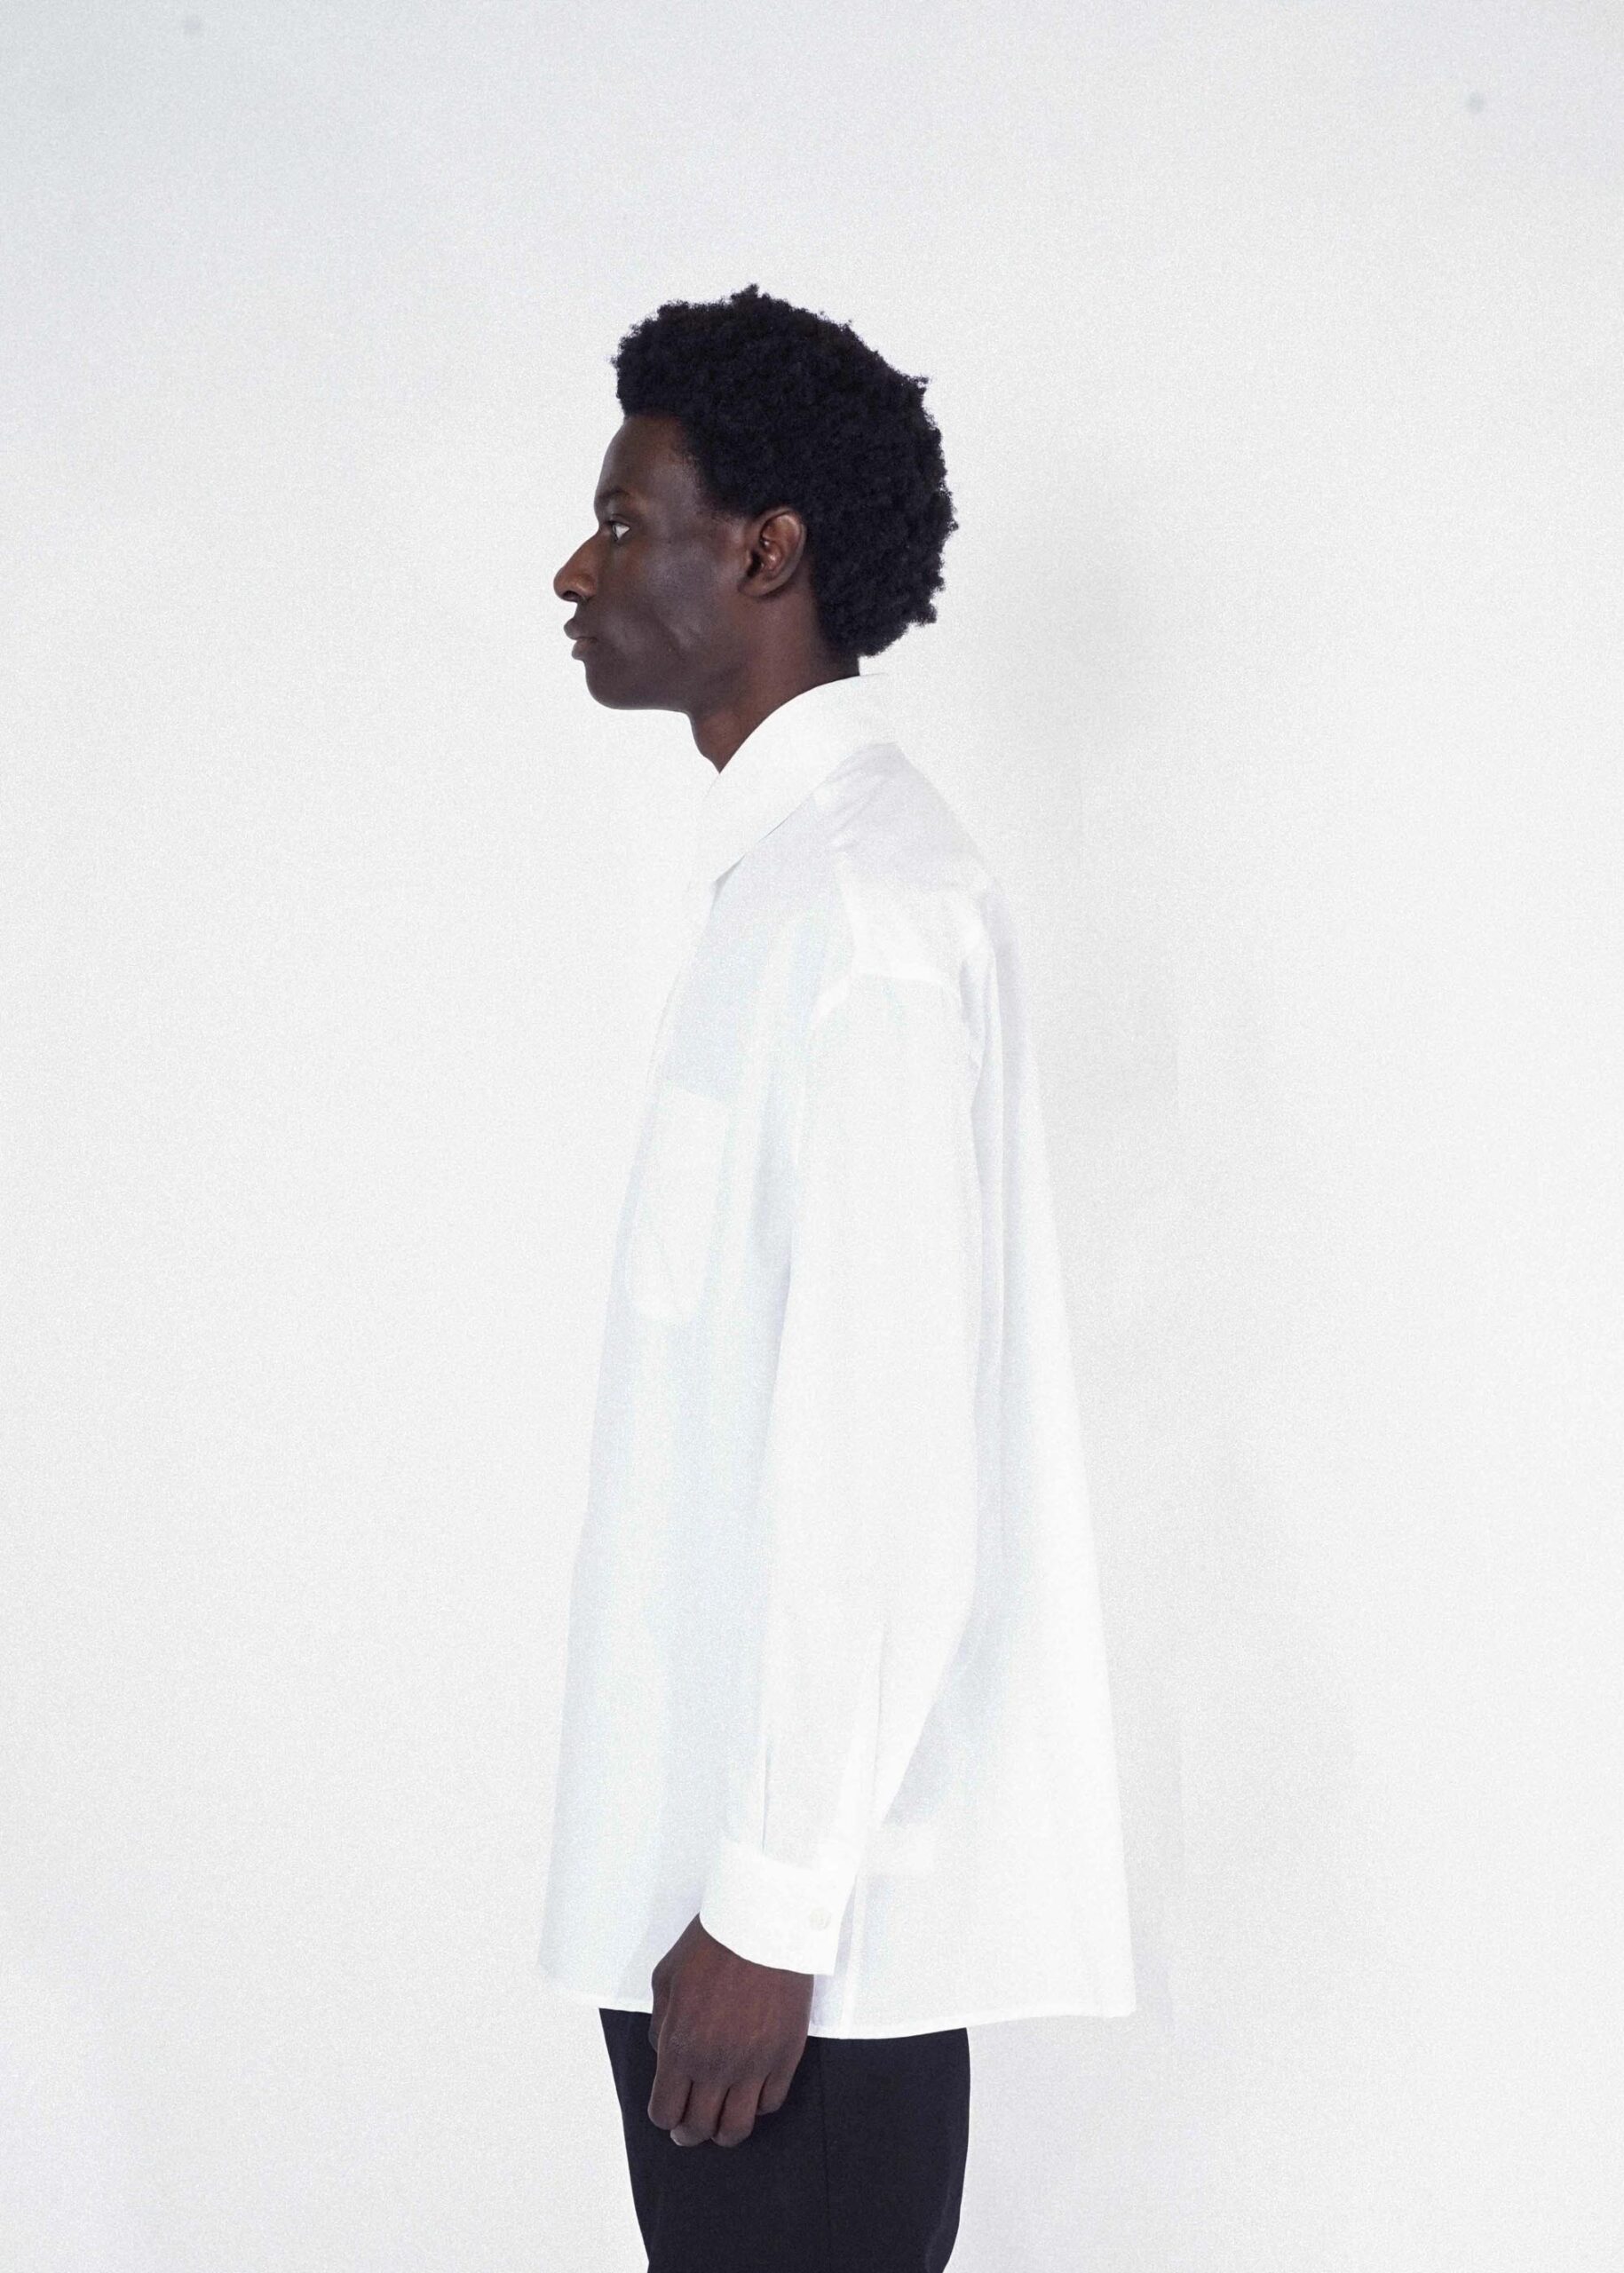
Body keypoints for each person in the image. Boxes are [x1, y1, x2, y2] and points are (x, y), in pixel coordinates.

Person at [538, 283, 1135, 2272]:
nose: (577, 570)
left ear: (767, 552)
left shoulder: (864, 915)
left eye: (624, 522)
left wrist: (776, 1906)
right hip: (727, 1912)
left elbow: (887, 1457)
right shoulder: (793, 892)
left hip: (794, 1956)